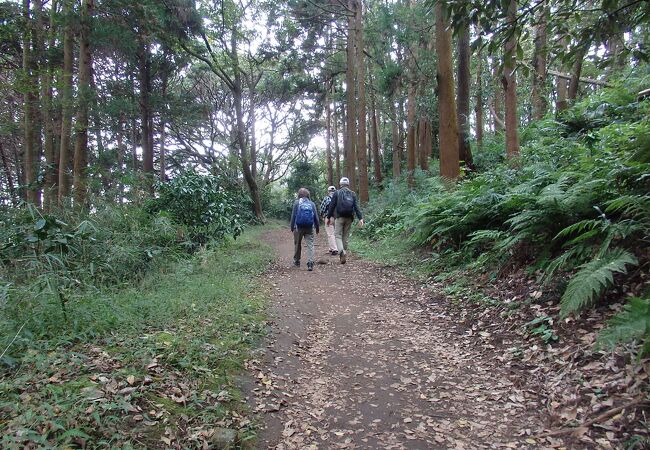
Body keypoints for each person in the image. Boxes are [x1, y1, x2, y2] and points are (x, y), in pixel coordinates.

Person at [326, 177, 364, 264]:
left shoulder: (337, 193)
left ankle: (342, 252)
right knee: (345, 236)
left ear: (340, 184)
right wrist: (360, 218)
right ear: (348, 184)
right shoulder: (352, 194)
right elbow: (356, 207)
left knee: (337, 235)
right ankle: (344, 252)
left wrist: (328, 217)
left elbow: (331, 206)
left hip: (339, 217)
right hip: (349, 218)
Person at [290, 187, 319, 271]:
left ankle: (297, 261)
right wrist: (317, 227)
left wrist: (292, 227)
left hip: (298, 228)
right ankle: (310, 263)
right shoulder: (312, 204)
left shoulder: (296, 203)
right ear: (308, 195)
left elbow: (293, 216)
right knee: (310, 245)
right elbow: (316, 217)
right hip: (309, 227)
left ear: (299, 195)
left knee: (297, 244)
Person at [320, 185, 338, 255]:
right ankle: (331, 248)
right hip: (337, 217)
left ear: (328, 191)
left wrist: (322, 215)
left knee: (330, 234)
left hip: (329, 218)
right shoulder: (338, 198)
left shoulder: (327, 198)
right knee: (335, 233)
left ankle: (334, 249)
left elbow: (322, 208)